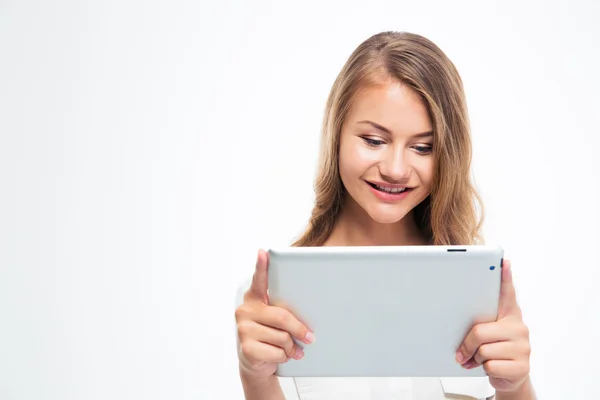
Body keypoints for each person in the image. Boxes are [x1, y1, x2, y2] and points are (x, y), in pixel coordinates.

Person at [233, 31, 535, 399]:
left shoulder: (480, 290)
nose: (395, 169)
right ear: (337, 136)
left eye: (423, 147)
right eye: (374, 141)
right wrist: (256, 378)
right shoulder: (272, 299)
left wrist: (517, 387)